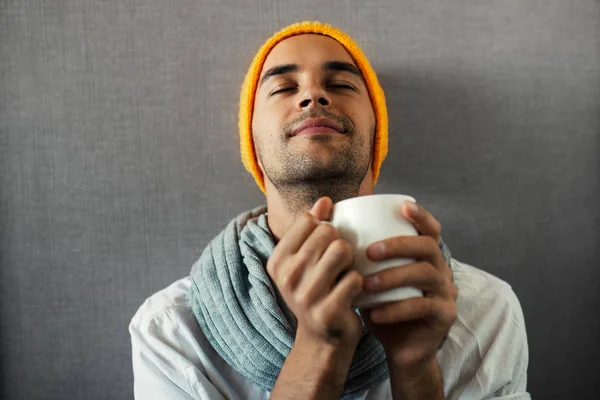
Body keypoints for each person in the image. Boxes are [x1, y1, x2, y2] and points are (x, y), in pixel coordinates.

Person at [129, 21, 530, 400]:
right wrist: (318, 347)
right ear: (251, 140)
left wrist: (415, 366)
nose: (313, 96)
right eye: (284, 88)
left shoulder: (486, 310)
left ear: (376, 132)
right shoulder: (171, 329)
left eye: (339, 84)